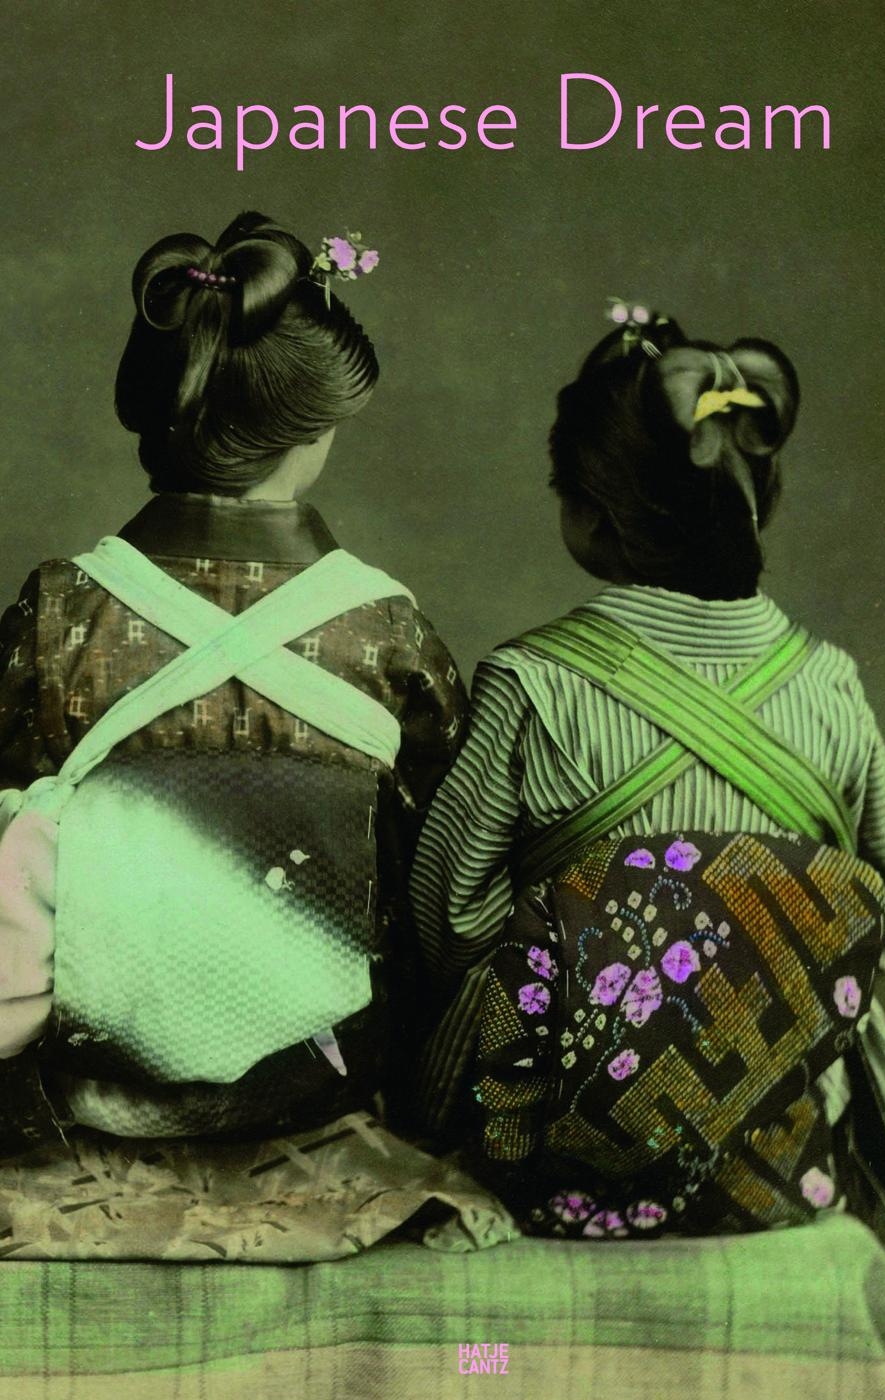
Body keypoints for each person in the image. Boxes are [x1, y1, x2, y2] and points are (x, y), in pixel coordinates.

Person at [0, 211, 516, 1262]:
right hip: (323, 1112)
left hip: (81, 1116)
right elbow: (440, 876)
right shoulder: (386, 630)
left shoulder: (59, 610)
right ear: (313, 430)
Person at [410, 307, 885, 1300]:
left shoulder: (532, 683)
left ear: (589, 515)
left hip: (551, 1135)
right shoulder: (830, 683)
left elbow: (448, 922)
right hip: (776, 1135)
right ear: (759, 498)